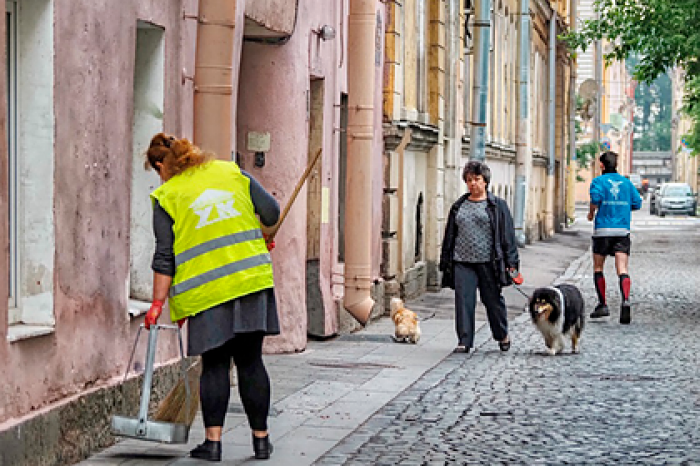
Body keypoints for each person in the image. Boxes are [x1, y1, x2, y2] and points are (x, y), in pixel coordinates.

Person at [144, 133, 280, 462]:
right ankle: (261, 442)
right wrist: (260, 232)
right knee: (251, 362)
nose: (157, 176)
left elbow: (165, 257)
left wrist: (157, 304)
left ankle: (213, 444)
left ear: (162, 165)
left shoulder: (167, 196)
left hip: (207, 292)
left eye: (155, 169)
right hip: (250, 282)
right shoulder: (231, 172)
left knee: (215, 364)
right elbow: (272, 212)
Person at [439, 161, 519, 353]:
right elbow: (450, 234)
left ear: (485, 181)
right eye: (469, 180)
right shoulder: (459, 206)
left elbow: (507, 236)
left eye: (477, 179)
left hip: (489, 262)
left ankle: (502, 334)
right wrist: (446, 261)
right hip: (462, 261)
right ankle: (464, 340)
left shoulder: (497, 206)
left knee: (492, 300)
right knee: (464, 300)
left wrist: (512, 264)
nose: (473, 183)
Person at [588, 151, 642, 324]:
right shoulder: (626, 183)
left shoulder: (598, 182)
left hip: (603, 230)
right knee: (622, 268)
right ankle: (625, 300)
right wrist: (623, 210)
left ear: (602, 165)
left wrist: (591, 213)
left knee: (598, 267)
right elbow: (637, 203)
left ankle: (602, 304)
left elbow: (595, 199)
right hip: (621, 230)